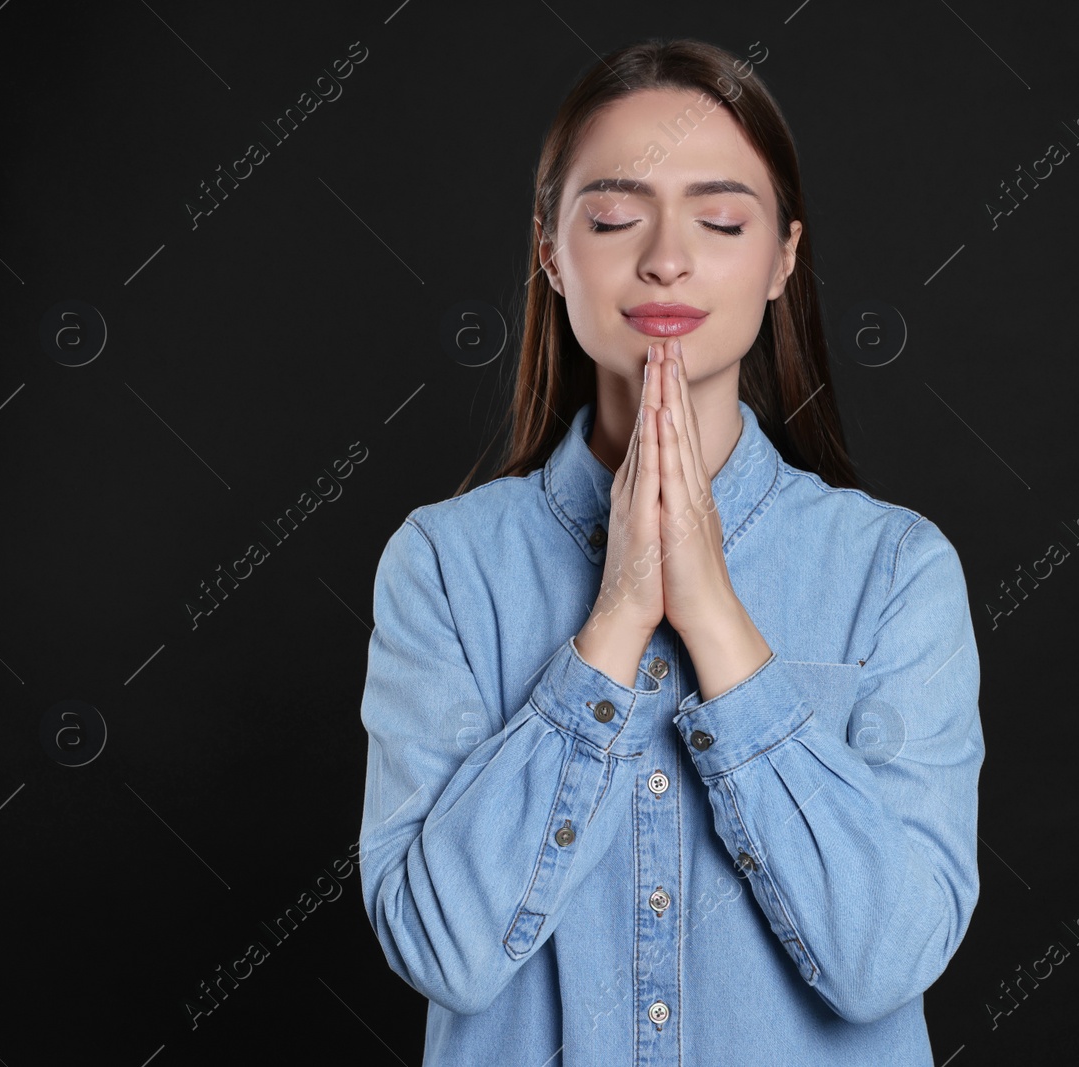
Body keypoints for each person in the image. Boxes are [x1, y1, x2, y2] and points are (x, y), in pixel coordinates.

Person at [357, 37, 984, 1066]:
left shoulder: (895, 570)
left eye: (720, 217)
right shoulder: (442, 565)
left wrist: (717, 621)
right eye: (612, 216)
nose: (664, 256)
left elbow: (888, 956)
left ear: (782, 255)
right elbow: (441, 947)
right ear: (551, 252)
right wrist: (611, 623)